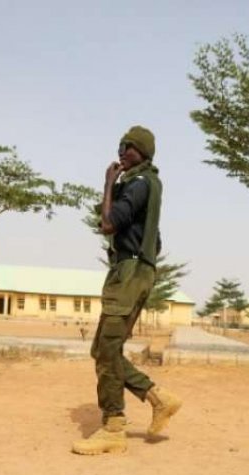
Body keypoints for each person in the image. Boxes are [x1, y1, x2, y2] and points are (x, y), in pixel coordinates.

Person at [72, 126, 182, 455]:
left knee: (106, 351)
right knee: (103, 350)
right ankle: (158, 398)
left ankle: (114, 428)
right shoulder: (148, 185)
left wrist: (108, 184)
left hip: (129, 273)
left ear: (143, 152)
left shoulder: (139, 184)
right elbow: (155, 240)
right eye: (120, 146)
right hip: (135, 271)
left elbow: (107, 224)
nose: (121, 151)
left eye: (129, 147)